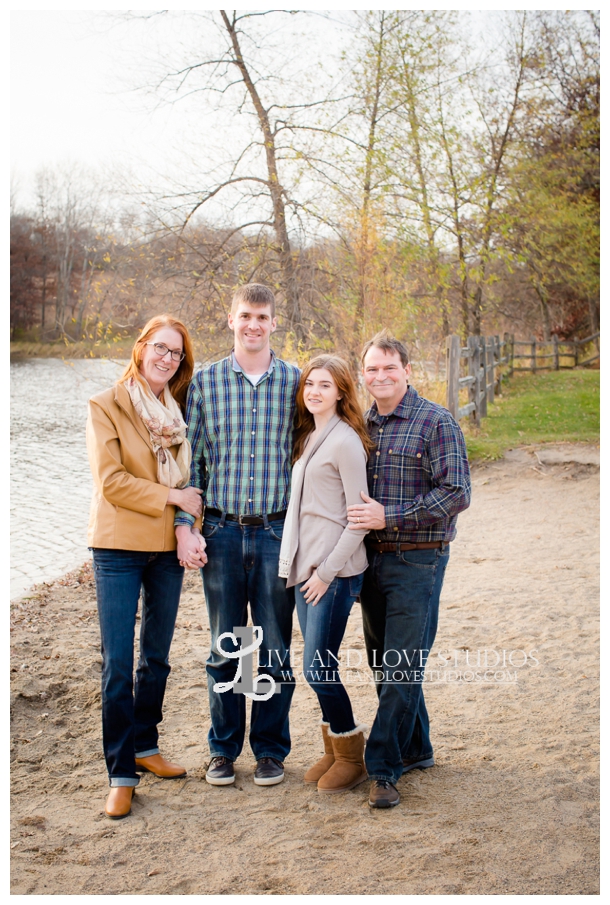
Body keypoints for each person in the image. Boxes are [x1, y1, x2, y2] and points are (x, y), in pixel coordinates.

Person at [175, 283, 300, 788]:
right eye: (245, 315)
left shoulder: (296, 382)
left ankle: (270, 750)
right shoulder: (204, 383)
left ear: (274, 322)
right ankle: (222, 749)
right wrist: (187, 527)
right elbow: (193, 464)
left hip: (276, 531)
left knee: (272, 647)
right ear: (231, 320)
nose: (253, 324)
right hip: (223, 531)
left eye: (262, 316)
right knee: (226, 646)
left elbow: (308, 460)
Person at [346, 330, 471, 809]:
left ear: (407, 371)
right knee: (386, 664)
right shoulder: (360, 425)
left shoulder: (435, 422)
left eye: (389, 368)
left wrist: (389, 516)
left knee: (401, 666)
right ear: (364, 374)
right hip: (371, 561)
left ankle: (381, 768)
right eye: (372, 369)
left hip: (419, 560)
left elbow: (457, 493)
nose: (380, 376)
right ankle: (416, 749)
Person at [87, 315, 203, 820]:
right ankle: (120, 773)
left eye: (175, 353)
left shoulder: (177, 413)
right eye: (160, 347)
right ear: (140, 349)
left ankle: (145, 745)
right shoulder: (106, 406)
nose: (166, 358)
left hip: (165, 549)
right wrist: (172, 496)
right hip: (117, 548)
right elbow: (112, 482)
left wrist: (184, 524)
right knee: (117, 663)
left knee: (155, 657)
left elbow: (193, 484)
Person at [279, 355, 371, 793]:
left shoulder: (346, 442)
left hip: (333, 572)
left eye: (325, 385)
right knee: (318, 665)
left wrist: (327, 574)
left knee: (318, 668)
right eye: (309, 384)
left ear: (341, 392)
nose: (314, 391)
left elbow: (359, 518)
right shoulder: (312, 436)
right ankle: (335, 749)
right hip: (307, 568)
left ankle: (353, 756)